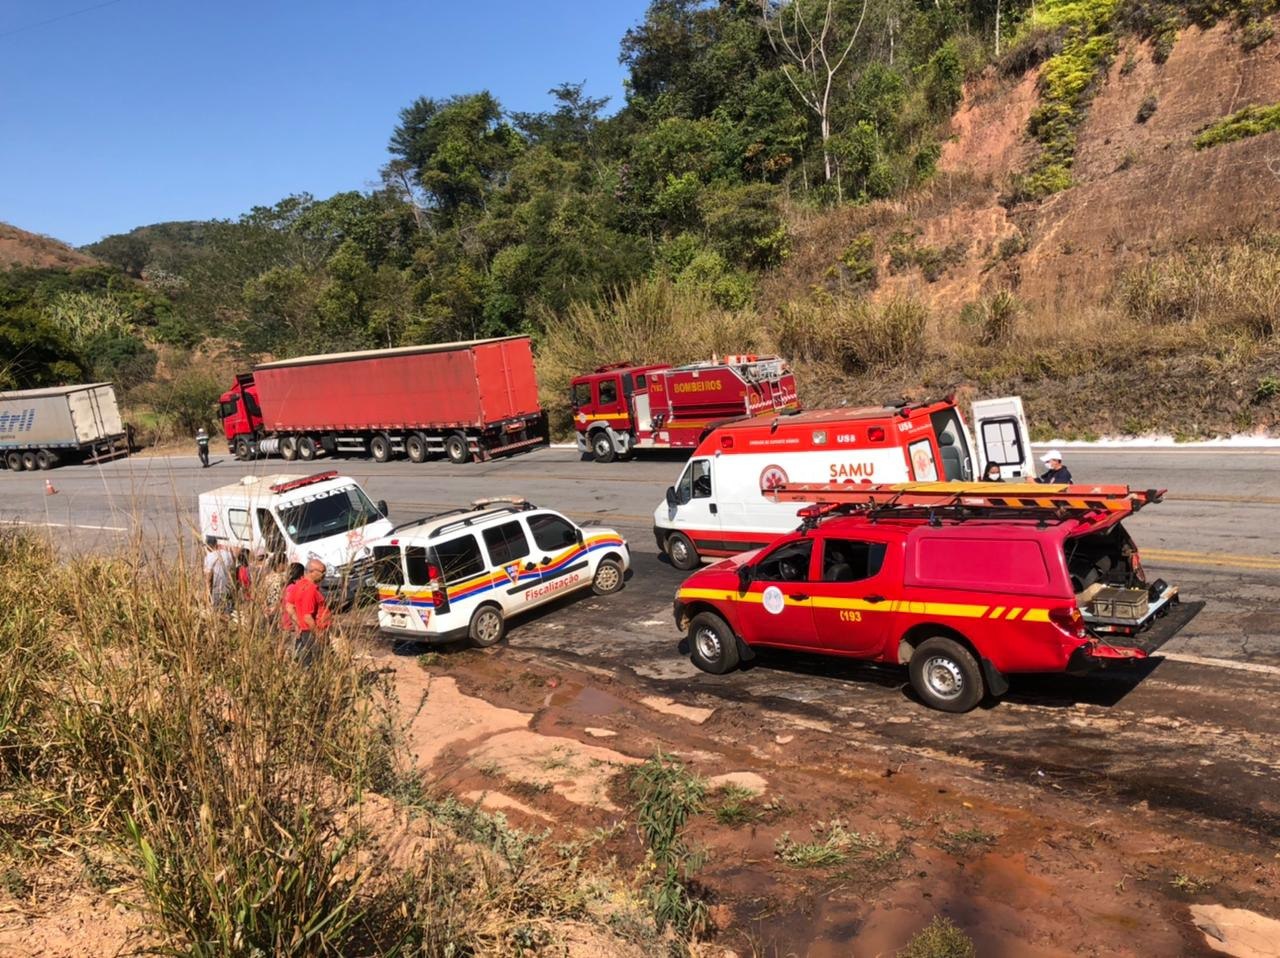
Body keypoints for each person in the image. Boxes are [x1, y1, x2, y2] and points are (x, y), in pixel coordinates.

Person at [288, 559, 331, 665]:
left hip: (304, 631)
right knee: (318, 663)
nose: (324, 575)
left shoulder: (298, 585)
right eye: (322, 572)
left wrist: (297, 624)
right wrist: (318, 634)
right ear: (312, 572)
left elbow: (289, 606)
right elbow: (308, 617)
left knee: (306, 661)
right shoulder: (310, 590)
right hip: (313, 632)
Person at [203, 536, 234, 615]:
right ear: (216, 544)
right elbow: (232, 570)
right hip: (228, 589)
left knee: (218, 614)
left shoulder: (208, 558)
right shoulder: (228, 554)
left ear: (207, 546)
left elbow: (209, 579)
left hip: (216, 591)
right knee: (228, 614)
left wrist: (208, 596)